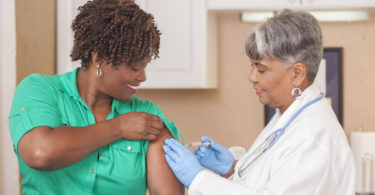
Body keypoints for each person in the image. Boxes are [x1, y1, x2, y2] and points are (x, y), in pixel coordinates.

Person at [163, 9, 355, 195]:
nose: (252, 77)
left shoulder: (312, 136)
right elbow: (273, 179)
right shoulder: (289, 115)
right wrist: (233, 168)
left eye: (261, 69)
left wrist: (198, 179)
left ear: (297, 74)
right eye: (252, 66)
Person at [9, 0, 184, 194]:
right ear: (99, 58)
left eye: (144, 66)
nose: (142, 77)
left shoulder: (147, 116)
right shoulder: (41, 91)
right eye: (134, 67)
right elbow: (41, 153)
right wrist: (119, 127)